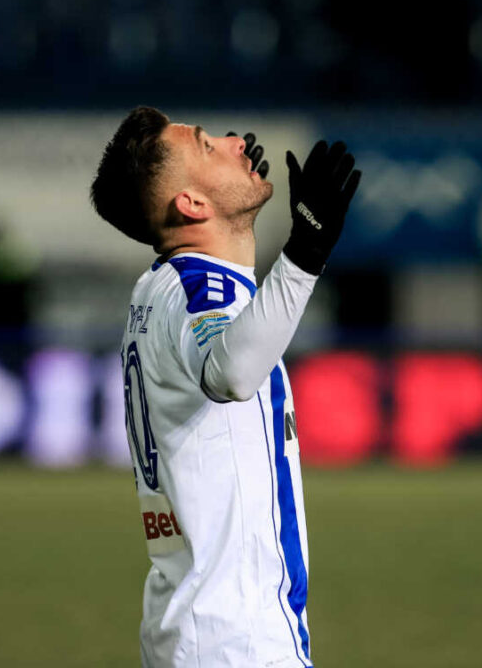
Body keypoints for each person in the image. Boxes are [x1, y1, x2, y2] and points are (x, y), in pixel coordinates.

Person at [91, 106, 361, 668]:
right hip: (232, 641)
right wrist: (305, 254)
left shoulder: (162, 287)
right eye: (208, 146)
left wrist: (243, 224)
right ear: (191, 204)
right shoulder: (200, 287)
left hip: (201, 630)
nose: (237, 140)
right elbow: (232, 373)